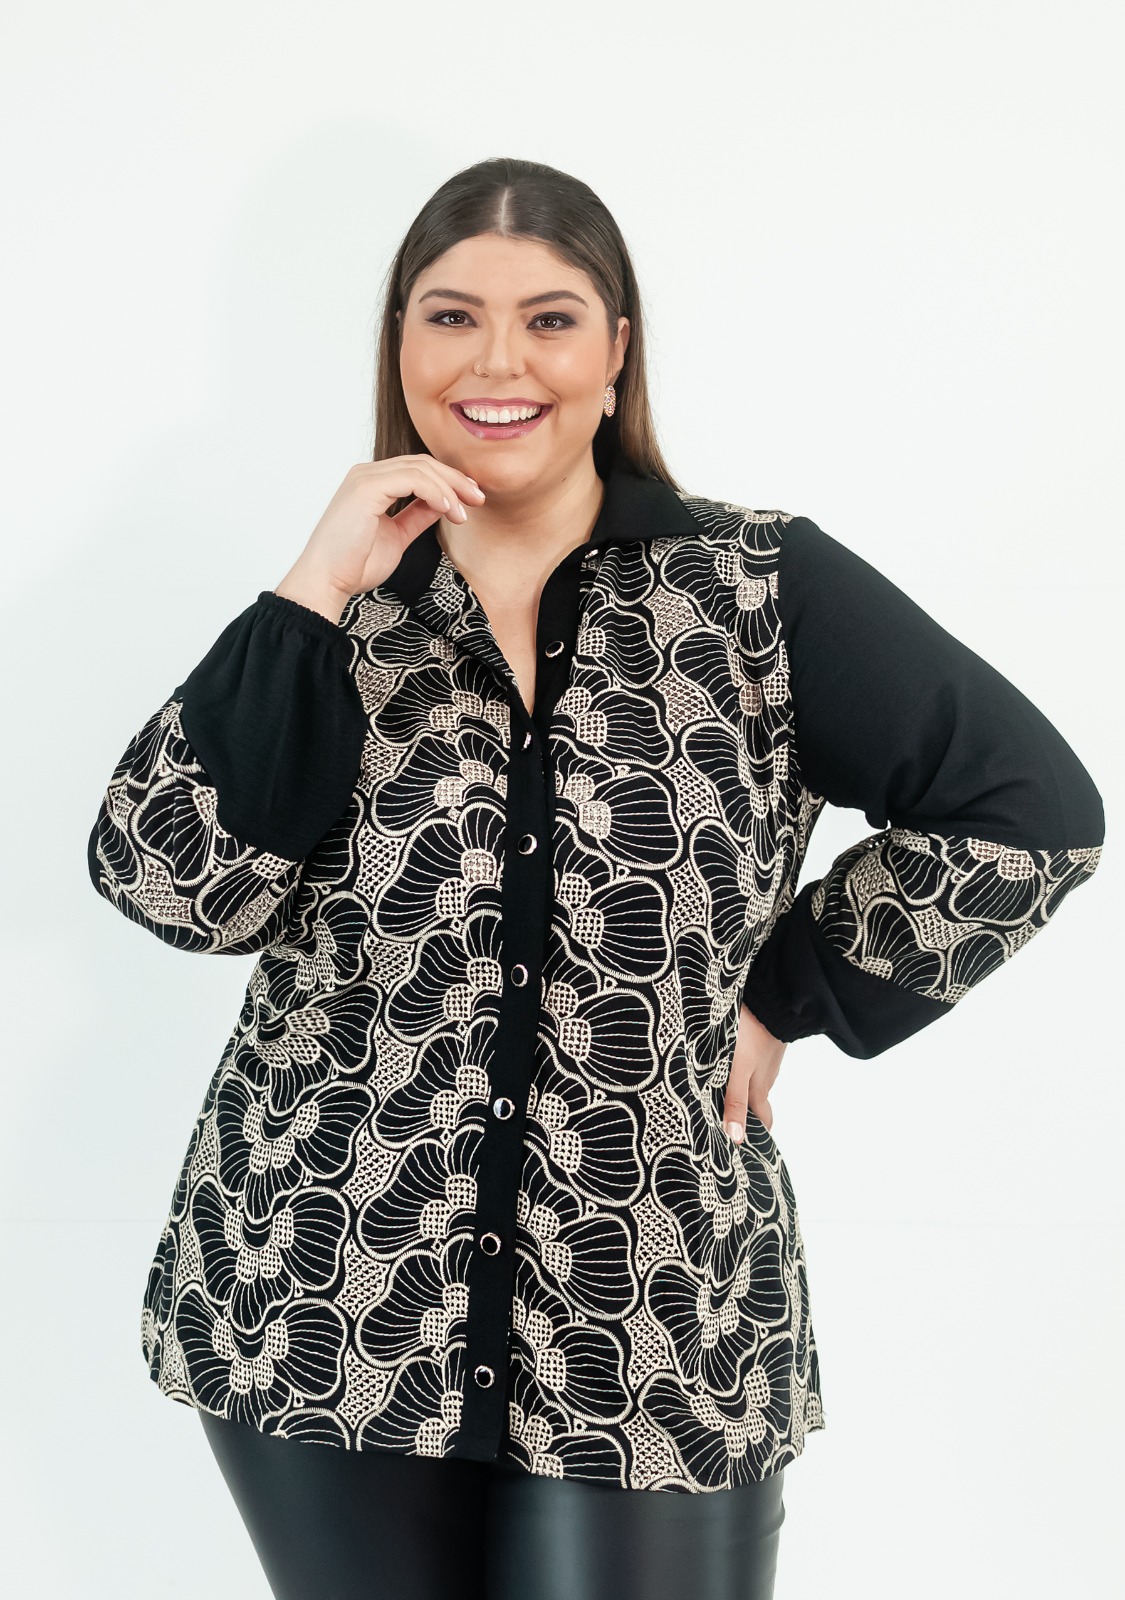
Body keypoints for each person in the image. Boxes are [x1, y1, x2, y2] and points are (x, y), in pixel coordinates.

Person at [87, 156, 1105, 1600]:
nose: (497, 362)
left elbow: (1028, 812)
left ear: (615, 351)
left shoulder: (752, 590)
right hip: (325, 1292)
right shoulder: (335, 621)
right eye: (451, 317)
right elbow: (171, 887)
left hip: (653, 1309)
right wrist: (309, 594)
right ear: (399, 347)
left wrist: (788, 991)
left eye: (549, 320)